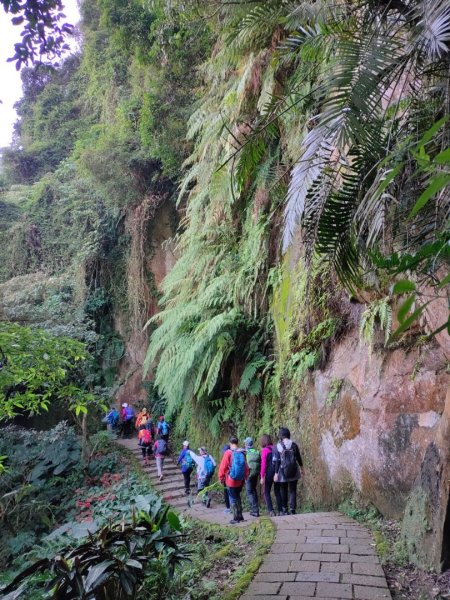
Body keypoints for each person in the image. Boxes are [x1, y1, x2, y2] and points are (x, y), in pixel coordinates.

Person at [272, 427, 304, 515]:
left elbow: (277, 461)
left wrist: (275, 474)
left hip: (282, 471)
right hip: (294, 470)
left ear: (281, 436)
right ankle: (293, 509)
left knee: (283, 490)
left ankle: (285, 509)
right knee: (293, 490)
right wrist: (302, 468)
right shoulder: (294, 445)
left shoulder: (277, 447)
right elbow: (298, 458)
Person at [218, 436, 249, 524]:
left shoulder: (228, 453)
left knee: (232, 498)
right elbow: (246, 466)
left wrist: (221, 478)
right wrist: (246, 476)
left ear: (230, 443)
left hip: (231, 480)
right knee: (238, 497)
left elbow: (223, 466)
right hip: (240, 480)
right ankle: (240, 516)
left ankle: (236, 518)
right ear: (237, 442)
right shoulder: (242, 452)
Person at [260, 433, 277, 517]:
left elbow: (263, 464)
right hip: (277, 472)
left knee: (266, 491)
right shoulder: (275, 448)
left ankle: (271, 510)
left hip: (269, 472)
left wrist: (262, 476)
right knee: (278, 491)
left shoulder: (265, 450)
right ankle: (281, 509)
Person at [244, 437, 261, 517]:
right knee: (253, 490)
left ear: (246, 444)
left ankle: (255, 510)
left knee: (249, 492)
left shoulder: (245, 452)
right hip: (256, 473)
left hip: (249, 474)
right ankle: (256, 509)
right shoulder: (257, 451)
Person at [221, 444, 231, 513]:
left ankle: (229, 508)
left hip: (226, 477)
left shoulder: (226, 456)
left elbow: (223, 468)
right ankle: (233, 507)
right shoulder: (233, 454)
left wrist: (221, 477)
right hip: (233, 477)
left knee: (227, 492)